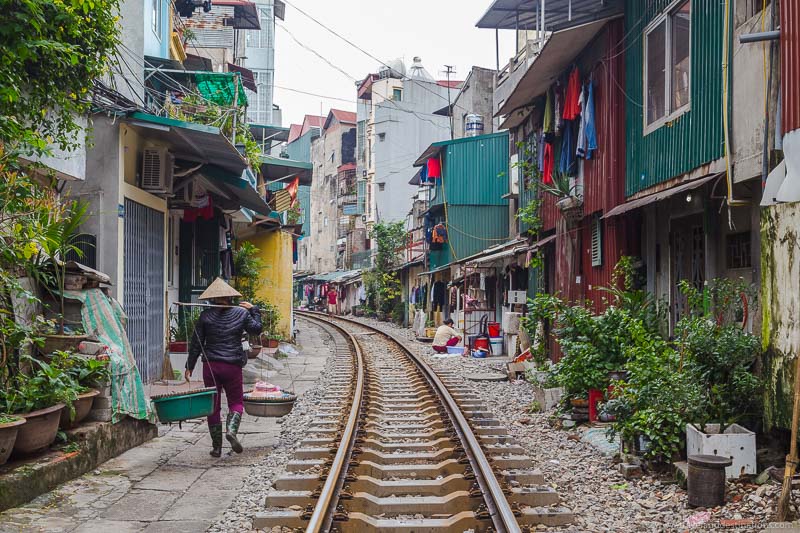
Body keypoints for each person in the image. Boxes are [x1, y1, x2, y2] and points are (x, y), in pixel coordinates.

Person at [185, 278, 262, 457]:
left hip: (211, 366)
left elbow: (197, 343)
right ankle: (232, 431)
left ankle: (216, 447)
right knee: (236, 402)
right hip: (232, 365)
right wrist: (254, 310)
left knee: (213, 405)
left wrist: (190, 366)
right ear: (230, 297)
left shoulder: (205, 316)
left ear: (212, 298)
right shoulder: (241, 313)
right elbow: (256, 329)